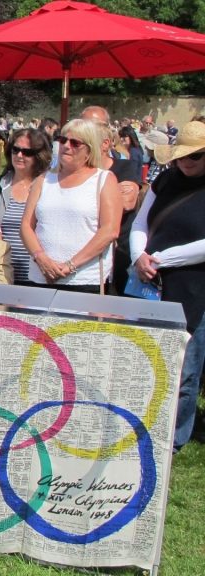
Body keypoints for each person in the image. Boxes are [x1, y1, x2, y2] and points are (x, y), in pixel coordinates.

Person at [129, 120, 205, 452]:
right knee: (146, 358)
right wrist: (138, 256)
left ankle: (172, 439)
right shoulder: (165, 180)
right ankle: (142, 424)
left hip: (195, 287)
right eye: (181, 157)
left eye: (195, 157)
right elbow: (140, 222)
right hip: (152, 281)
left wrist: (160, 259)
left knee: (186, 369)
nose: (185, 163)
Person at [20, 119, 121, 293]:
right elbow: (26, 226)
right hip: (41, 277)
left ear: (89, 150)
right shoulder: (43, 180)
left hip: (84, 280)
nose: (66, 146)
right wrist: (41, 258)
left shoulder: (104, 179)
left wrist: (70, 265)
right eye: (62, 140)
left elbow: (110, 230)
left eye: (75, 143)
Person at [0, 128, 52, 286]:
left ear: (38, 155)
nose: (19, 155)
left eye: (27, 152)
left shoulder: (48, 187)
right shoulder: (0, 185)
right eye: (16, 150)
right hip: (4, 275)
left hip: (37, 276)